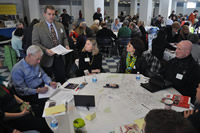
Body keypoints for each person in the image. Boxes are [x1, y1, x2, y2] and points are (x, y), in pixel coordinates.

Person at [32, 5, 69, 84]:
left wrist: (66, 45)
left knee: (61, 80)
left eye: (53, 14)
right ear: (44, 14)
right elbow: (35, 43)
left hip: (59, 57)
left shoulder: (60, 25)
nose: (51, 16)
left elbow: (65, 38)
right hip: (46, 58)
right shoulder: (37, 27)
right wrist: (46, 50)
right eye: (49, 14)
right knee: (47, 82)